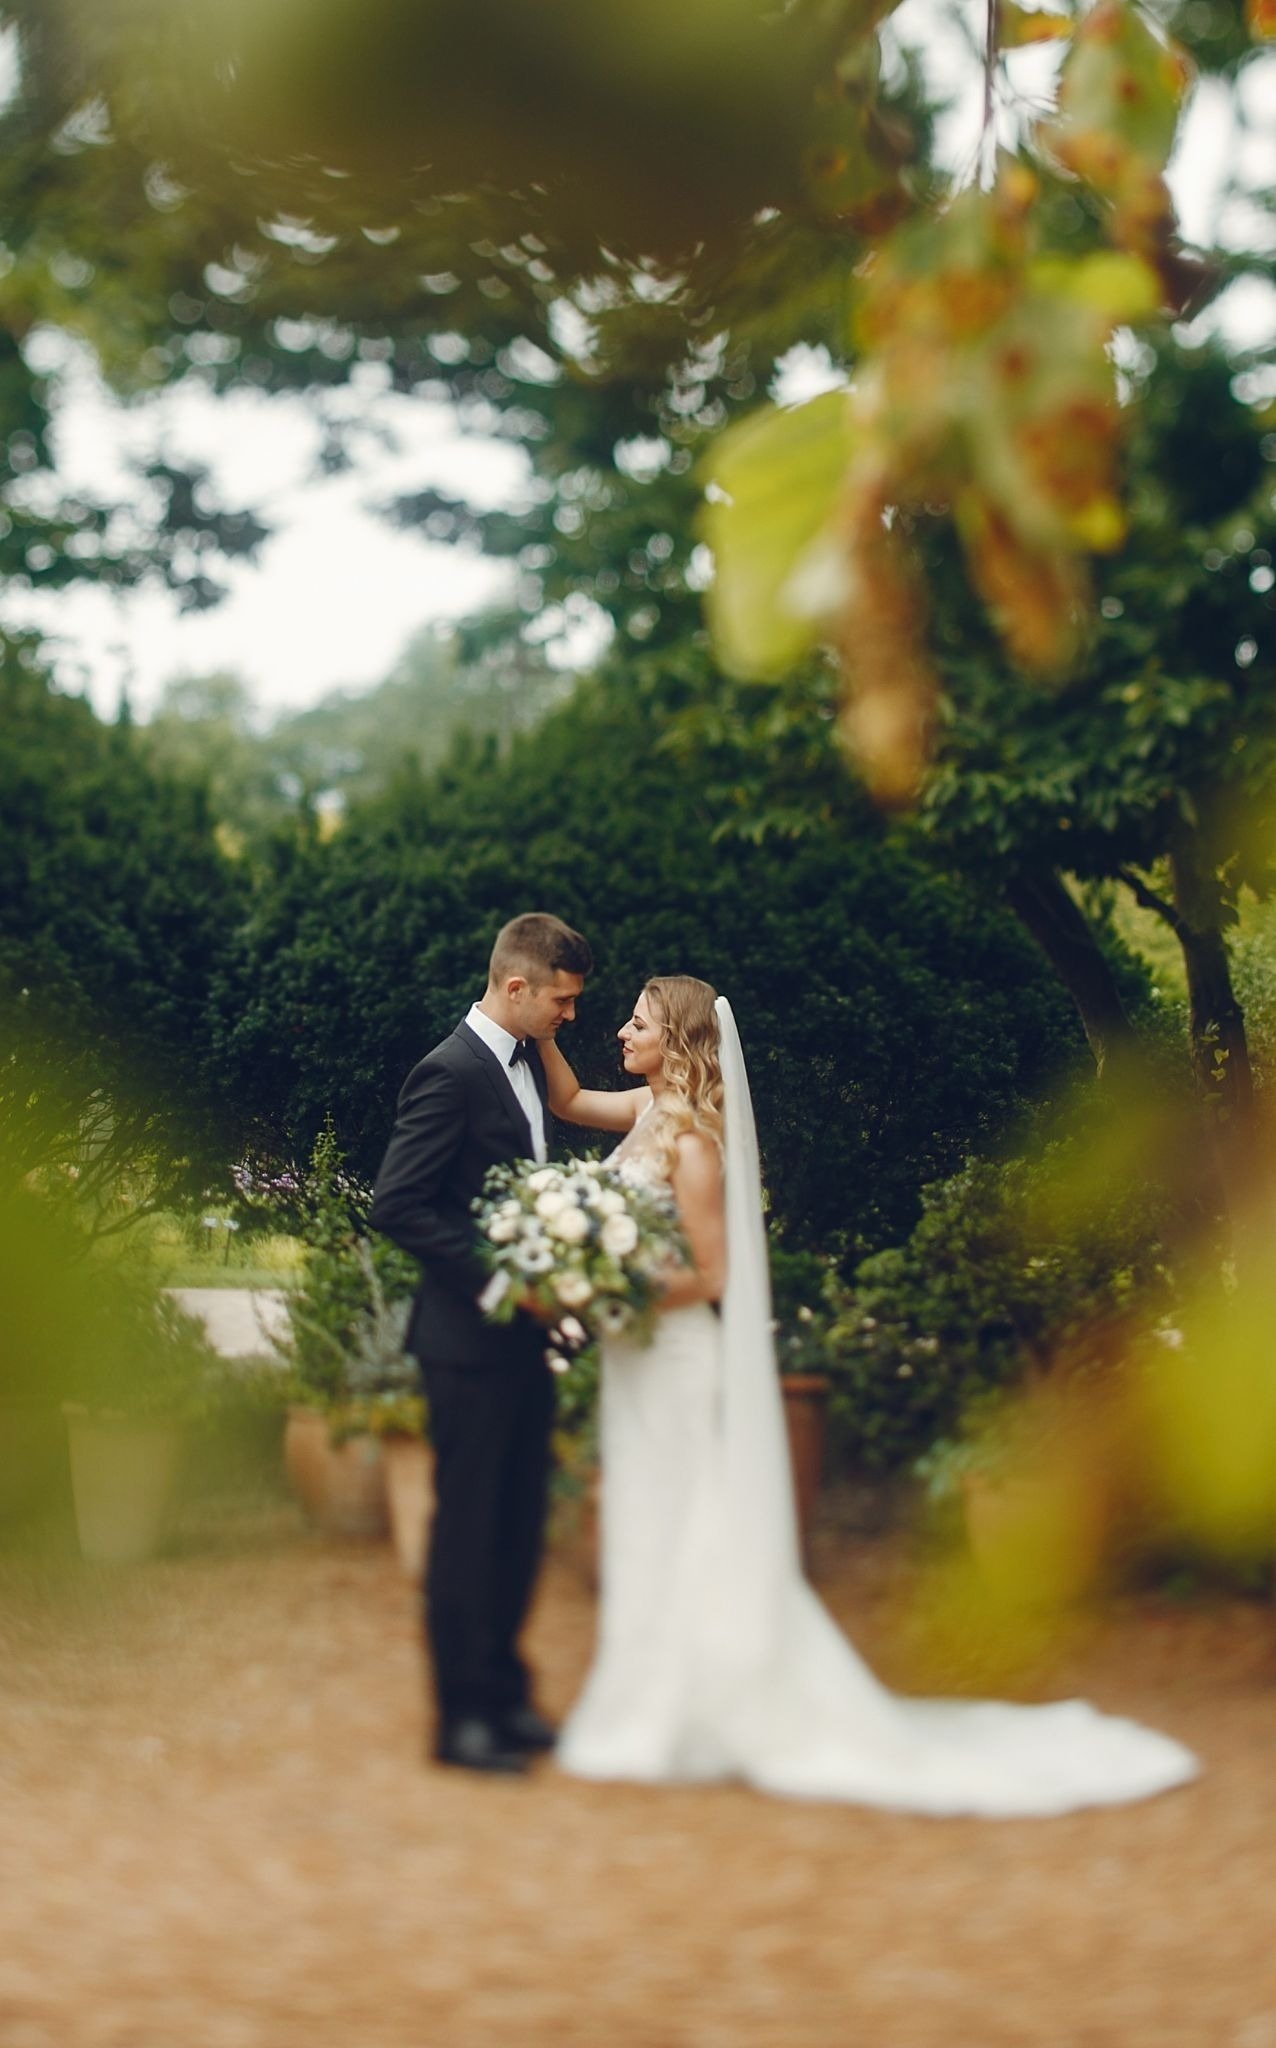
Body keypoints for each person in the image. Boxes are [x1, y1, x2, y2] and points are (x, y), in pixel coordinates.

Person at [537, 976, 1199, 1814]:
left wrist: (615, 1289)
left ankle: (694, 1710)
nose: (621, 1032)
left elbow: (716, 1273)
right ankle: (652, 1702)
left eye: (638, 1022)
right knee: (646, 1516)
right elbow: (562, 1100)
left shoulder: (695, 1144)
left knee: (690, 1518)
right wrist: (542, 1021)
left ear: (680, 1042)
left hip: (674, 1360)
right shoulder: (644, 1117)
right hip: (638, 1365)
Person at [369, 911, 592, 1775]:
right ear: (515, 987)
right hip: (465, 1343)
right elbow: (399, 1205)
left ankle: (504, 1693)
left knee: (518, 1523)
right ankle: (460, 1720)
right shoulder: (450, 1072)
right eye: (562, 1002)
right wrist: (503, 1286)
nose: (569, 1016)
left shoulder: (531, 1059)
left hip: (522, 1347)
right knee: (467, 1529)